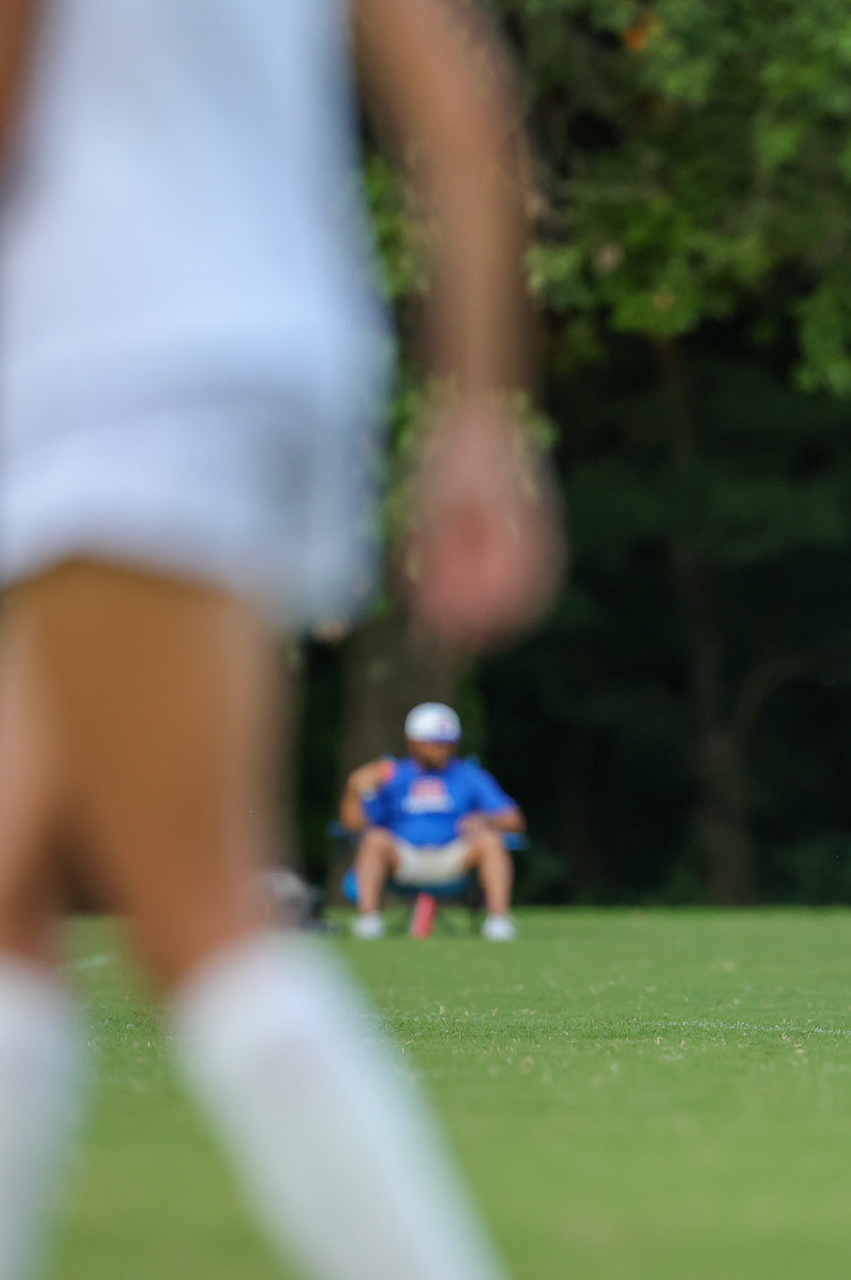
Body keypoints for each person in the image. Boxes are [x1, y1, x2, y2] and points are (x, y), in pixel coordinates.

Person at [0, 2, 560, 1278]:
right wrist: (478, 417)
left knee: (200, 913)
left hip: (108, 363)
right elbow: (463, 115)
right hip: (278, 353)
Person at [342, 702, 524, 942]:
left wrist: (486, 818)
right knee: (374, 840)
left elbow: (514, 820)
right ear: (413, 742)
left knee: (489, 840)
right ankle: (369, 920)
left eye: (449, 742)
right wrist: (355, 789)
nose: (443, 749)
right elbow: (355, 826)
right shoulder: (389, 775)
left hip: (454, 857)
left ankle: (498, 922)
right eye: (435, 743)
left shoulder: (469, 774)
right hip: (404, 857)